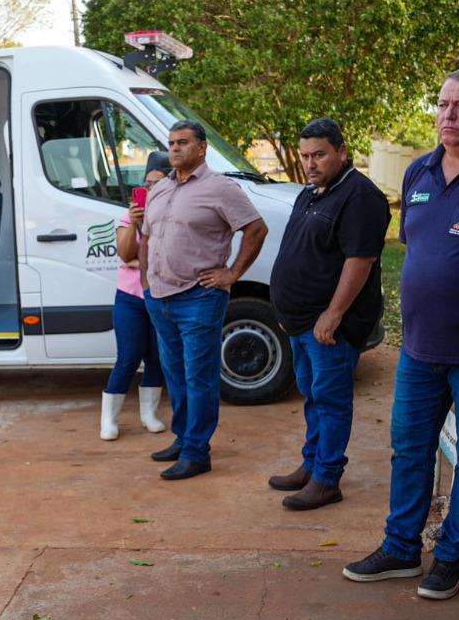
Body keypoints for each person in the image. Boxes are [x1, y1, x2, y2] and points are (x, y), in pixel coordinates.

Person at [342, 69, 459, 596]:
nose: (447, 116)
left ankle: (452, 554)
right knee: (409, 447)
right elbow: (416, 246)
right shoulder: (418, 172)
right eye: (443, 105)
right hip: (420, 347)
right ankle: (401, 547)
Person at [265, 118, 388, 510]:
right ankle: (311, 465)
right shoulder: (312, 192)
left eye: (319, 154)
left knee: (332, 401)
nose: (310, 163)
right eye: (305, 156)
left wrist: (333, 314)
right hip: (300, 322)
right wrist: (286, 309)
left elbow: (361, 259)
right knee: (313, 397)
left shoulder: (360, 196)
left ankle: (327, 479)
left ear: (342, 152)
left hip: (330, 327)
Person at [138, 120, 268, 480]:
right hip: (160, 296)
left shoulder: (220, 188)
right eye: (171, 143)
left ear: (202, 147)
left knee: (199, 378)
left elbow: (255, 229)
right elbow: (146, 236)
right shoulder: (161, 188)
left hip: (199, 298)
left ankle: (198, 452)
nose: (175, 148)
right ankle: (184, 439)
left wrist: (232, 273)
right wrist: (146, 280)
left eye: (183, 142)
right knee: (175, 374)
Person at [100, 151, 171, 440]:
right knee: (128, 358)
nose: (152, 188)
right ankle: (109, 420)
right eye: (148, 183)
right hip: (130, 297)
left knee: (156, 358)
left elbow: (167, 258)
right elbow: (125, 253)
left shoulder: (172, 217)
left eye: (158, 183)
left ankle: (149, 414)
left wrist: (140, 262)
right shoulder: (128, 217)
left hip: (161, 295)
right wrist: (133, 221)